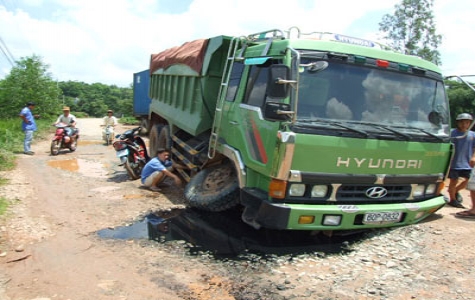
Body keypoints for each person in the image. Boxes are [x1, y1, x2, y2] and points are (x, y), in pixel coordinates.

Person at [447, 113, 475, 208]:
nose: (464, 125)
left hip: (467, 163)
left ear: (470, 123)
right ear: (458, 123)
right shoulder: (451, 133)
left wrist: (473, 157)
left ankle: (455, 191)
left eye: (467, 123)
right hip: (454, 163)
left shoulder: (472, 135)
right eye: (462, 122)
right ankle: (452, 199)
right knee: (453, 181)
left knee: (468, 180)